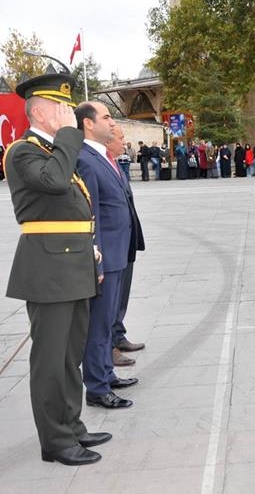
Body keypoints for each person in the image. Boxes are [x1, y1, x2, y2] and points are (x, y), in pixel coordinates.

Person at [3, 73, 108, 466]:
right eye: (63, 108)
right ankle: (56, 441)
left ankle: (73, 427)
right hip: (47, 269)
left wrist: (89, 253)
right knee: (49, 361)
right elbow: (54, 182)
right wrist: (68, 137)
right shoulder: (23, 151)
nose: (70, 116)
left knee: (69, 356)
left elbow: (72, 209)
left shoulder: (55, 150)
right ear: (43, 112)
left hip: (73, 263)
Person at [75, 102, 138, 410]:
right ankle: (97, 387)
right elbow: (92, 213)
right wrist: (96, 255)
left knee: (108, 319)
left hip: (118, 251)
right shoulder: (86, 159)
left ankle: (106, 374)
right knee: (99, 325)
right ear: (88, 124)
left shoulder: (102, 156)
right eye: (106, 117)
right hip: (106, 255)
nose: (112, 123)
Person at [105, 127, 146, 368]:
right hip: (111, 243)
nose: (124, 142)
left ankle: (118, 335)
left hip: (126, 239)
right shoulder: (93, 162)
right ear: (108, 142)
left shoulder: (114, 163)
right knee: (109, 299)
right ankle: (109, 346)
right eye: (121, 138)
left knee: (122, 294)